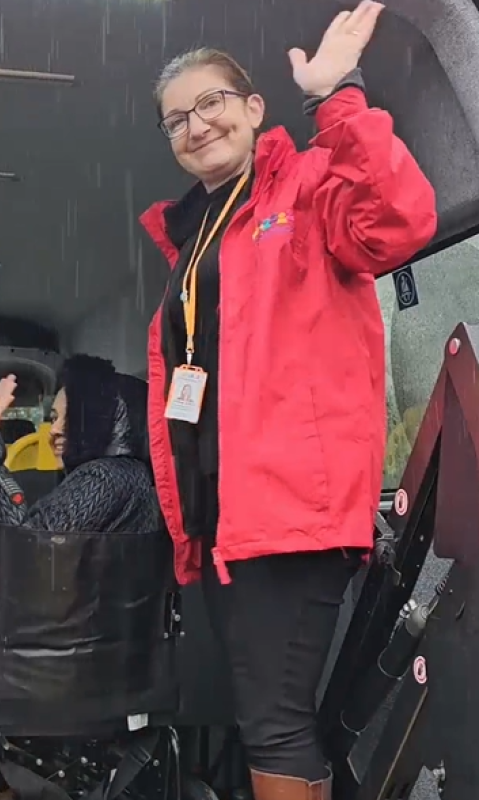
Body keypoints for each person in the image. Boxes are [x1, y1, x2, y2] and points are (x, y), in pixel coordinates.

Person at [140, 2, 437, 798]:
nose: (196, 126)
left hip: (291, 514)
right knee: (264, 717)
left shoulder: (303, 186)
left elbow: (400, 223)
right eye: (176, 119)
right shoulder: (195, 235)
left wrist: (337, 97)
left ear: (253, 107)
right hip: (227, 522)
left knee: (273, 722)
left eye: (212, 103)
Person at [0, 354, 161, 658]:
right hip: (92, 655)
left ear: (105, 421)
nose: (54, 430)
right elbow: (57, 581)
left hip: (64, 664)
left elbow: (27, 553)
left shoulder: (105, 477)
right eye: (53, 418)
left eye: (74, 418)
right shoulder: (131, 478)